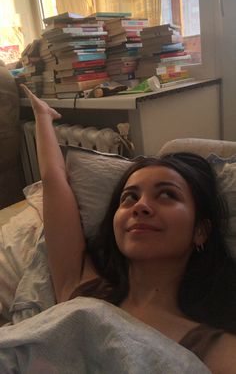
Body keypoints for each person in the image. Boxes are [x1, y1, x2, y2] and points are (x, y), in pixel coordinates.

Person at [21, 84, 236, 373]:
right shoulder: (81, 286)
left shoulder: (216, 349)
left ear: (201, 231)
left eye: (167, 195)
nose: (140, 206)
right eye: (129, 197)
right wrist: (43, 116)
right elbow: (54, 179)